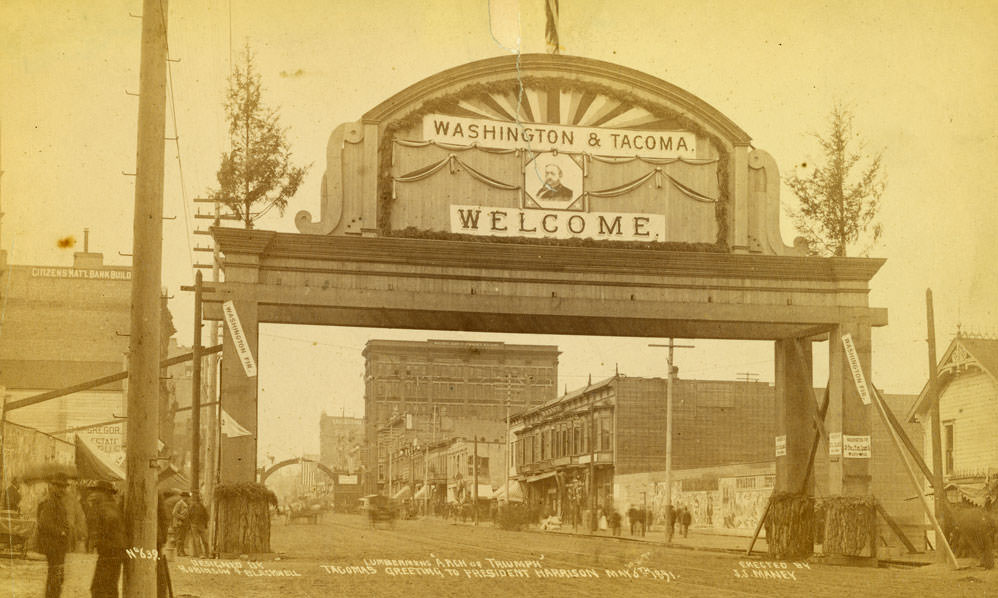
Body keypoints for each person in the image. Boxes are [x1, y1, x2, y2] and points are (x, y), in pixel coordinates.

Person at [37, 473, 72, 598]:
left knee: (56, 576)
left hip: (58, 546)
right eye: (60, 487)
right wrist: (61, 532)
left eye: (64, 487)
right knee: (55, 577)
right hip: (54, 546)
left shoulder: (58, 501)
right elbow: (44, 523)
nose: (63, 490)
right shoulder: (51, 502)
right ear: (54, 487)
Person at [90, 480, 125, 598]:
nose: (94, 494)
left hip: (109, 553)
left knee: (99, 589)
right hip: (114, 553)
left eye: (97, 491)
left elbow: (109, 523)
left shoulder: (106, 507)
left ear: (105, 493)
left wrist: (99, 541)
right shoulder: (112, 506)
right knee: (110, 587)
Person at [171, 491, 191, 556]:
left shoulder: (186, 504)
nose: (187, 498)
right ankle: (178, 552)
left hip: (184, 523)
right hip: (179, 523)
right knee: (179, 538)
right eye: (186, 497)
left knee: (183, 538)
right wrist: (181, 517)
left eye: (187, 497)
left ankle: (182, 551)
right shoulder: (179, 503)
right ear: (183, 497)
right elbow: (174, 513)